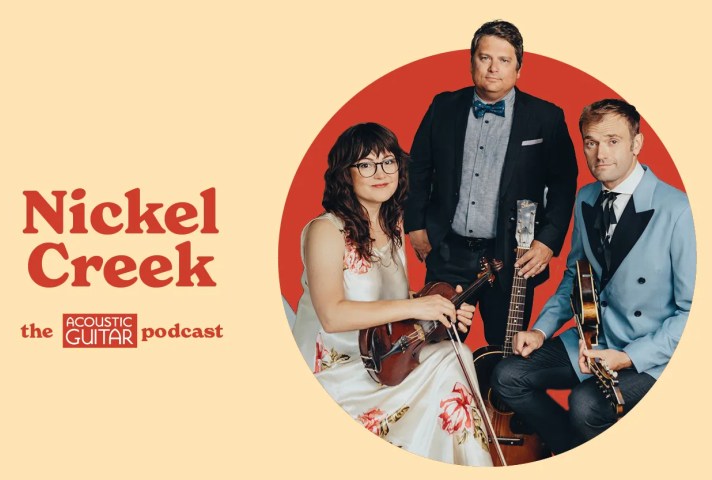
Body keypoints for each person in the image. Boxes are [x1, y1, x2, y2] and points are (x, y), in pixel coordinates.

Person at [490, 99, 695, 454]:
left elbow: (693, 314)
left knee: (586, 405)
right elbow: (575, 277)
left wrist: (628, 358)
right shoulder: (586, 198)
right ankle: (569, 453)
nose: (600, 153)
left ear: (636, 143)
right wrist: (540, 331)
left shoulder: (678, 211)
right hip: (593, 341)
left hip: (648, 353)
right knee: (507, 376)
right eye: (591, 142)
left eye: (613, 141)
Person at [291, 123, 493, 465]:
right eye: (366, 165)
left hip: (385, 361)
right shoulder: (326, 230)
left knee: (455, 354)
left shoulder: (392, 227)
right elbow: (333, 314)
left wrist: (441, 308)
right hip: (339, 371)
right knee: (448, 363)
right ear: (345, 174)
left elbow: (393, 304)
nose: (380, 173)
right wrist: (418, 305)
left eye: (388, 162)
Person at [404, 20, 578, 346]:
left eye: (504, 60)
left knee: (504, 351)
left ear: (519, 69)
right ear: (472, 61)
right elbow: (419, 167)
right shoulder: (444, 106)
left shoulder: (546, 117)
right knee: (434, 347)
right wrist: (415, 224)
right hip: (448, 251)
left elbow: (564, 183)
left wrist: (548, 241)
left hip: (512, 254)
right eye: (485, 58)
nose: (493, 68)